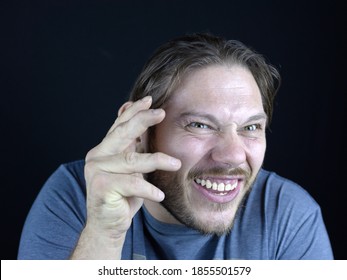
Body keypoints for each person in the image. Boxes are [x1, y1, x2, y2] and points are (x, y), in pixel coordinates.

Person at [18, 33, 333, 260]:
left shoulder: (289, 215)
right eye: (199, 125)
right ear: (140, 131)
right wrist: (104, 233)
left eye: (250, 128)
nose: (234, 155)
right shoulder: (75, 196)